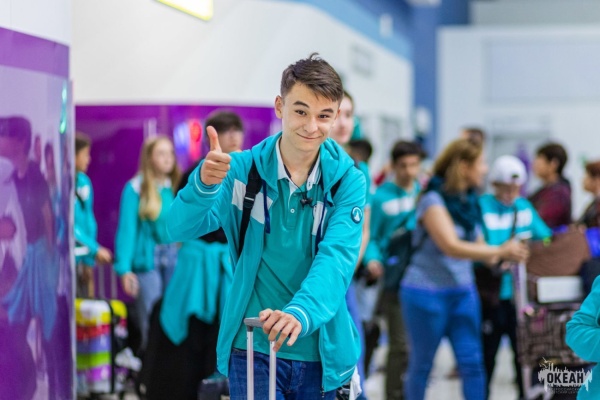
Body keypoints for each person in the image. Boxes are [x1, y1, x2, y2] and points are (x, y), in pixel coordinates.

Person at [167, 53, 366, 399]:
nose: (311, 126)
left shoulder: (347, 182)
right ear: (280, 106)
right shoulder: (241, 171)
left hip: (321, 352)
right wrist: (203, 185)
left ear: (335, 117)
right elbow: (176, 228)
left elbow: (336, 260)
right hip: (253, 347)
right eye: (301, 111)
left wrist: (299, 314)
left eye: (324, 115)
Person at [400, 139, 529, 400]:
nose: (485, 169)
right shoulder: (432, 200)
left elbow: (479, 246)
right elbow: (451, 246)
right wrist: (500, 250)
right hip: (425, 293)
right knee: (422, 365)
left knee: (472, 364)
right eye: (481, 163)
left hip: (463, 293)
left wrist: (505, 256)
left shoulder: (469, 202)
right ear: (463, 166)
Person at [141, 111, 245, 400]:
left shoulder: (248, 172)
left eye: (236, 130)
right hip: (194, 268)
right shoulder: (196, 173)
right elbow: (178, 221)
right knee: (186, 334)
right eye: (226, 130)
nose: (233, 136)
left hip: (229, 268)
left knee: (225, 335)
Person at [478, 155, 551, 399]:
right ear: (494, 184)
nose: (511, 193)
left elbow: (546, 238)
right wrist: (501, 253)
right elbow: (476, 249)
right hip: (490, 294)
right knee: (486, 357)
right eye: (505, 187)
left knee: (524, 358)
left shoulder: (524, 207)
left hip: (520, 298)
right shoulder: (482, 206)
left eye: (516, 188)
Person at [364, 140, 425, 400]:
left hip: (423, 279)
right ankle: (394, 394)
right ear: (393, 166)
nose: (409, 171)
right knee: (400, 344)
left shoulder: (424, 194)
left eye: (414, 165)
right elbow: (371, 235)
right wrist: (372, 259)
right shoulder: (381, 197)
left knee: (419, 346)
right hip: (394, 280)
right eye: (403, 166)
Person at [113, 135, 181, 354]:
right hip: (148, 260)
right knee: (150, 320)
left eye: (170, 153)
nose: (167, 158)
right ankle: (149, 368)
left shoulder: (177, 186)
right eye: (161, 153)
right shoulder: (136, 187)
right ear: (150, 158)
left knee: (175, 319)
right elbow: (127, 230)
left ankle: (172, 370)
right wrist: (124, 269)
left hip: (175, 258)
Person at [329, 90, 373, 394]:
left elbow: (364, 230)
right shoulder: (307, 166)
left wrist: (344, 271)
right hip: (307, 276)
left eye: (348, 114)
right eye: (336, 115)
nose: (343, 122)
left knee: (353, 350)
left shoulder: (359, 169)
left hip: (343, 278)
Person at [74, 133, 113, 297]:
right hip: (70, 259)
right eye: (84, 155)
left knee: (86, 303)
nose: (88, 160)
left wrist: (89, 259)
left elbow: (89, 220)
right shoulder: (61, 183)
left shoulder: (84, 182)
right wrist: (95, 249)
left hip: (86, 258)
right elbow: (70, 227)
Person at [529, 142, 572, 229]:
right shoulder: (545, 189)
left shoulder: (559, 193)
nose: (534, 164)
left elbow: (542, 222)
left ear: (553, 163)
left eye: (540, 159)